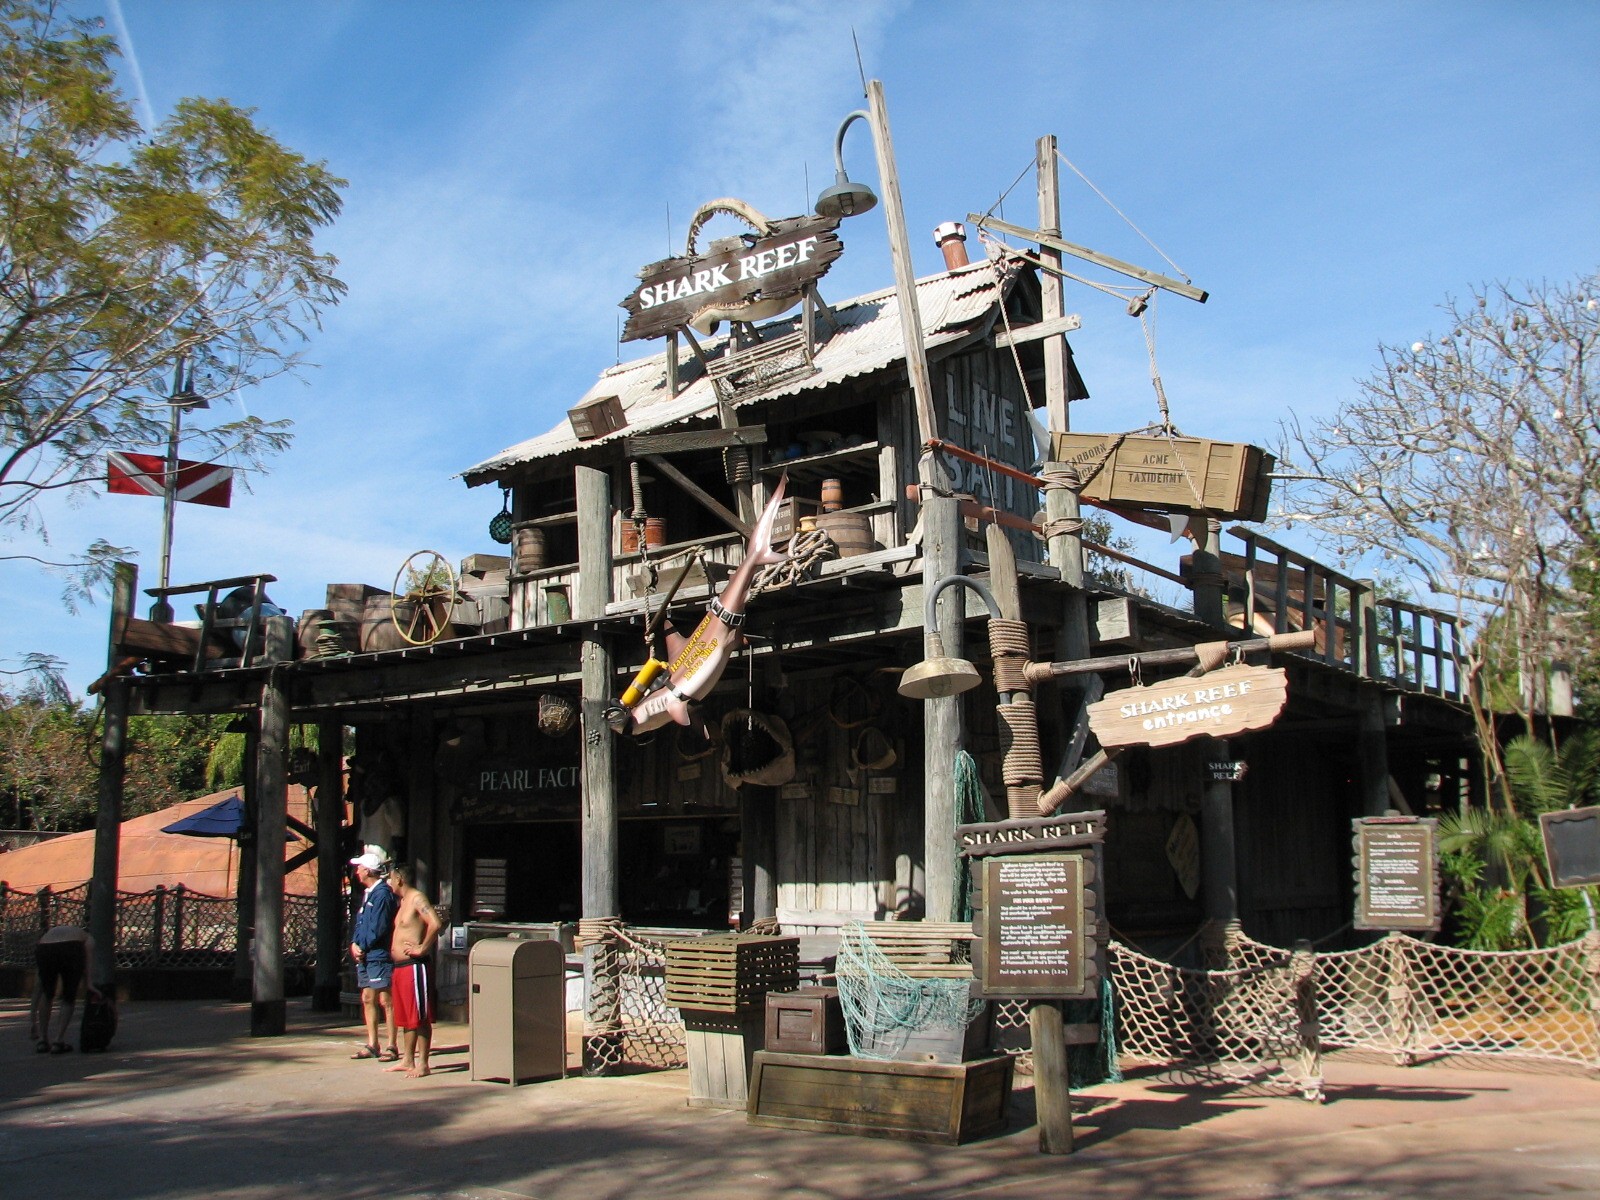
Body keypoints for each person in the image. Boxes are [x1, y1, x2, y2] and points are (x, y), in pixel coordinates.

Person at [385, 863, 442, 1078]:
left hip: (414, 966)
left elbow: (435, 923)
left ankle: (423, 1063)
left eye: (390, 878)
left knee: (419, 1015)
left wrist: (422, 948)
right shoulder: (402, 902)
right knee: (406, 1016)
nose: (389, 882)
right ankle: (407, 1059)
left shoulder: (417, 898)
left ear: (399, 879)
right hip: (399, 967)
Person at [348, 849, 399, 1062]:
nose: (357, 871)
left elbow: (378, 927)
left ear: (368, 871)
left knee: (386, 999)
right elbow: (361, 923)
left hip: (378, 953)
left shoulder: (383, 895)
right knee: (367, 997)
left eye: (359, 867)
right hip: (366, 954)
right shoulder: (368, 894)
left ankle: (392, 1044)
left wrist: (364, 945)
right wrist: (354, 944)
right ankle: (372, 1043)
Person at [30, 925, 101, 1054]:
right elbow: (88, 961)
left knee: (47, 993)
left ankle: (42, 1039)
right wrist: (89, 983)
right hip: (71, 949)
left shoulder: (49, 934)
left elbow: (38, 985)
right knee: (69, 995)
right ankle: (58, 1040)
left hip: (45, 948)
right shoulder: (87, 937)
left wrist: (32, 1020)